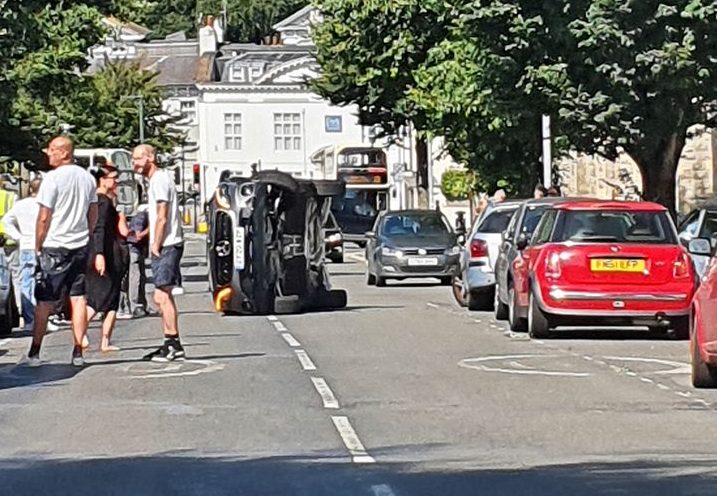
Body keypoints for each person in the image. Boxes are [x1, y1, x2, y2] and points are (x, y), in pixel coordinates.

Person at [25, 136, 98, 367]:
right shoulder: (87, 178)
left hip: (55, 245)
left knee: (45, 300)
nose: (49, 153)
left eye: (53, 150)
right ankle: (78, 352)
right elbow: (93, 211)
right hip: (79, 244)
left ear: (65, 153)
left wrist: (38, 243)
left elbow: (44, 216)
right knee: (77, 298)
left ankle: (35, 352)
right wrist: (86, 232)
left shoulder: (52, 179)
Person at [132, 144, 185, 362]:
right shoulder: (155, 181)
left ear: (150, 158)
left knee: (162, 295)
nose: (134, 163)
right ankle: (170, 342)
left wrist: (156, 243)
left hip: (167, 244)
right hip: (166, 243)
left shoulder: (160, 180)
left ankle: (173, 344)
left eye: (138, 158)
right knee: (162, 295)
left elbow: (162, 215)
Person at [84, 165, 129, 352]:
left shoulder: (106, 201)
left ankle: (105, 341)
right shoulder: (101, 201)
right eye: (112, 178)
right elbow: (99, 229)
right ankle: (79, 331)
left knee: (112, 300)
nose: (116, 181)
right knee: (98, 298)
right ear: (102, 180)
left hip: (112, 255)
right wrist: (99, 254)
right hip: (104, 255)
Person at [3, 178, 43, 331]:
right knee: (43, 283)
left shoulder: (20, 205)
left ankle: (29, 320)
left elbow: (6, 221)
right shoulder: (45, 205)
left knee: (26, 282)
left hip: (26, 246)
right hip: (43, 245)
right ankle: (43, 317)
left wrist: (18, 236)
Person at [126, 207, 151, 317]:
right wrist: (151, 229)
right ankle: (136, 306)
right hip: (134, 251)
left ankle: (140, 305)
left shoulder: (142, 216)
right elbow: (137, 236)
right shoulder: (141, 217)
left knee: (140, 277)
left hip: (137, 250)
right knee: (136, 278)